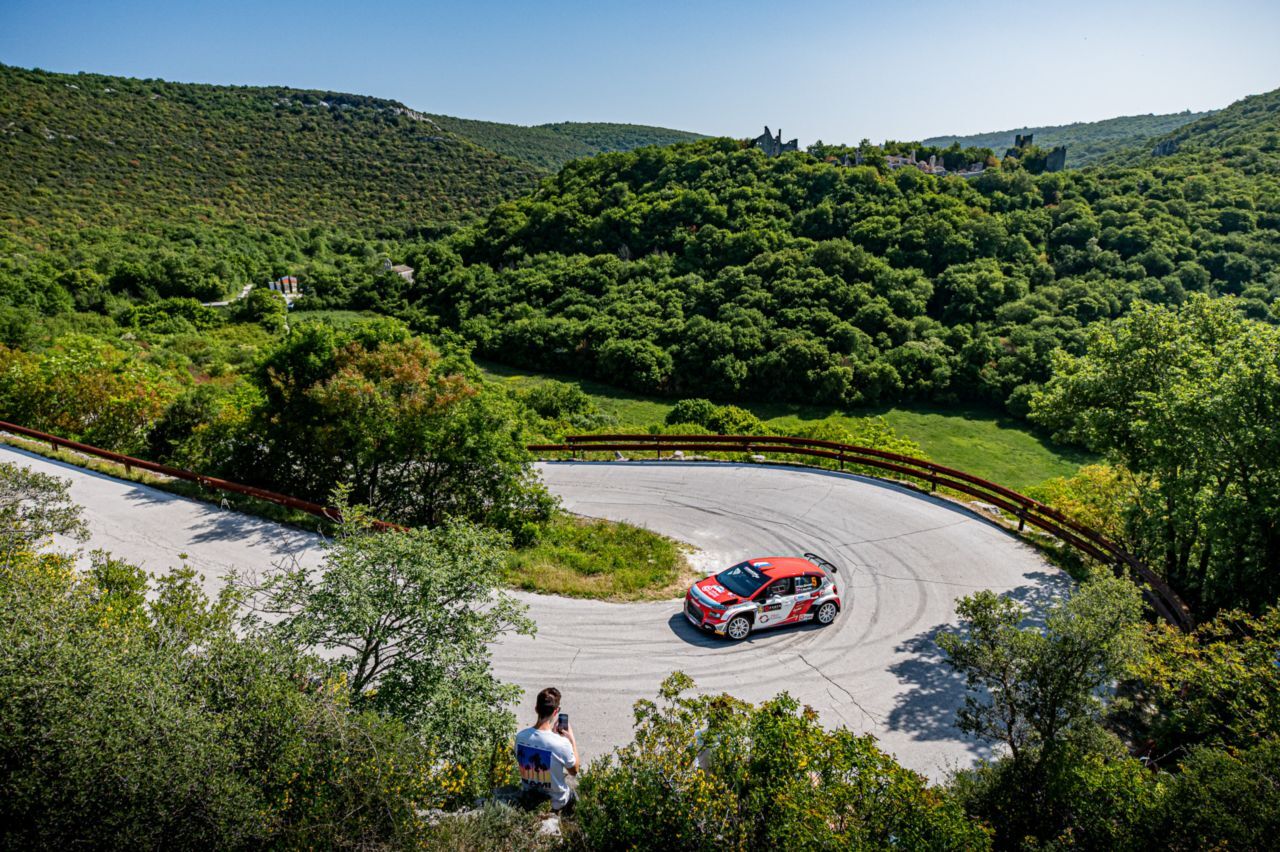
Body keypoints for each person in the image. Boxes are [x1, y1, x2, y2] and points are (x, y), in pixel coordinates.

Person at [514, 686, 579, 814]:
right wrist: (572, 741)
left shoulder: (520, 737)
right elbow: (574, 771)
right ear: (556, 711)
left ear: (536, 708)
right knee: (573, 792)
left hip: (530, 796)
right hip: (556, 802)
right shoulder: (561, 743)